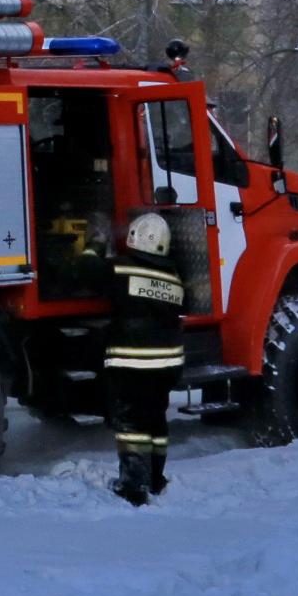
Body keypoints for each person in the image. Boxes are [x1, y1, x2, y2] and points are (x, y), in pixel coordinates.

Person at [104, 209, 187, 505]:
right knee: (156, 421)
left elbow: (84, 271)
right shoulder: (174, 276)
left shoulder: (121, 269)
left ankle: (133, 487)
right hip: (167, 366)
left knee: (131, 424)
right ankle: (155, 479)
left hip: (132, 364)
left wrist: (94, 243)